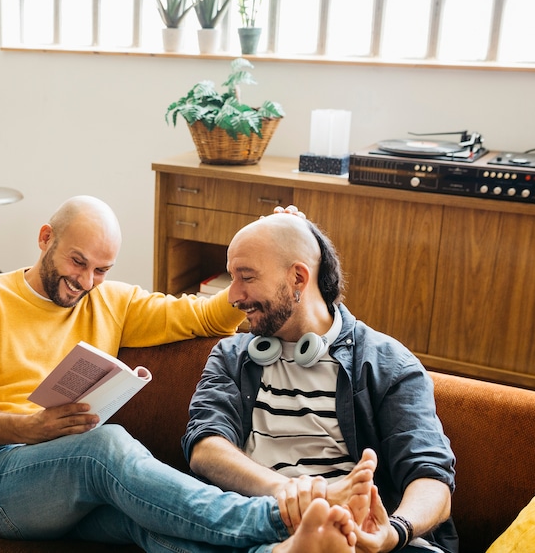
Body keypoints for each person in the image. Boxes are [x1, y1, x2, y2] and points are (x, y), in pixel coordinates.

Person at [0, 195, 381, 552]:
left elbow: (204, 317)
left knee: (148, 520)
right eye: (77, 262)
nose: (87, 282)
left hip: (66, 489)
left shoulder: (111, 302)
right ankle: (278, 514)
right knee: (103, 446)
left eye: (101, 270)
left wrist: (273, 251)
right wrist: (28, 428)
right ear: (45, 237)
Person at [182, 212, 457, 552]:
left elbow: (432, 480)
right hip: (262, 521)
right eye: (232, 277)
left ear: (298, 277)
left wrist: (394, 532)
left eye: (246, 277)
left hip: (353, 533)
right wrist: (290, 493)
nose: (232, 295)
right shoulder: (231, 355)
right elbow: (205, 447)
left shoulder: (387, 363)